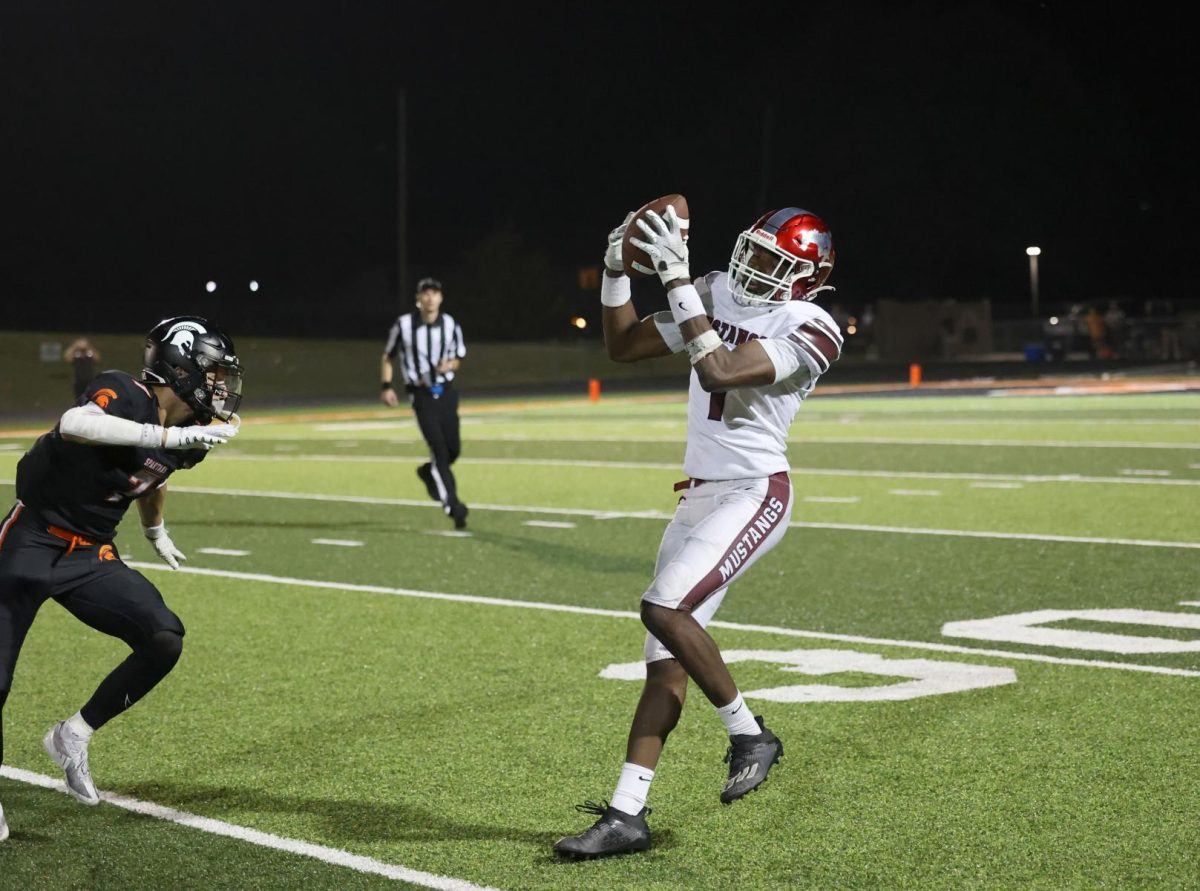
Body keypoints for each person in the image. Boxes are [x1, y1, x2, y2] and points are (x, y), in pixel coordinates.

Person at [554, 206, 843, 859]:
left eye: (776, 262)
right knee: (663, 664)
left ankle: (749, 733)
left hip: (754, 490)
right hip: (697, 496)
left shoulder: (813, 325)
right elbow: (623, 343)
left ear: (807, 277)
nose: (755, 267)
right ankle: (627, 815)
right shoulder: (714, 290)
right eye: (755, 251)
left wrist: (680, 281)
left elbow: (720, 370)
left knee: (663, 606)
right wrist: (613, 272)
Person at [0, 316, 242, 839]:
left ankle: (73, 734)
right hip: (32, 541)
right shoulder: (125, 392)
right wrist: (166, 433)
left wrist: (156, 530)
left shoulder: (186, 438)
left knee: (162, 638)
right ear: (180, 367)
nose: (221, 386)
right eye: (214, 371)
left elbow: (155, 473)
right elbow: (75, 424)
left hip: (89, 554)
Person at [381, 277, 469, 530]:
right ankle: (452, 505)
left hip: (448, 394)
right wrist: (386, 387)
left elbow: (459, 357)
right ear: (418, 299)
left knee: (453, 450)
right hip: (421, 396)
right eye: (425, 294)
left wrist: (449, 365)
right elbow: (388, 356)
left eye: (435, 293)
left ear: (441, 298)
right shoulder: (404, 325)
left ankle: (427, 472)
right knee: (440, 451)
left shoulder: (450, 324)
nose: (430, 298)